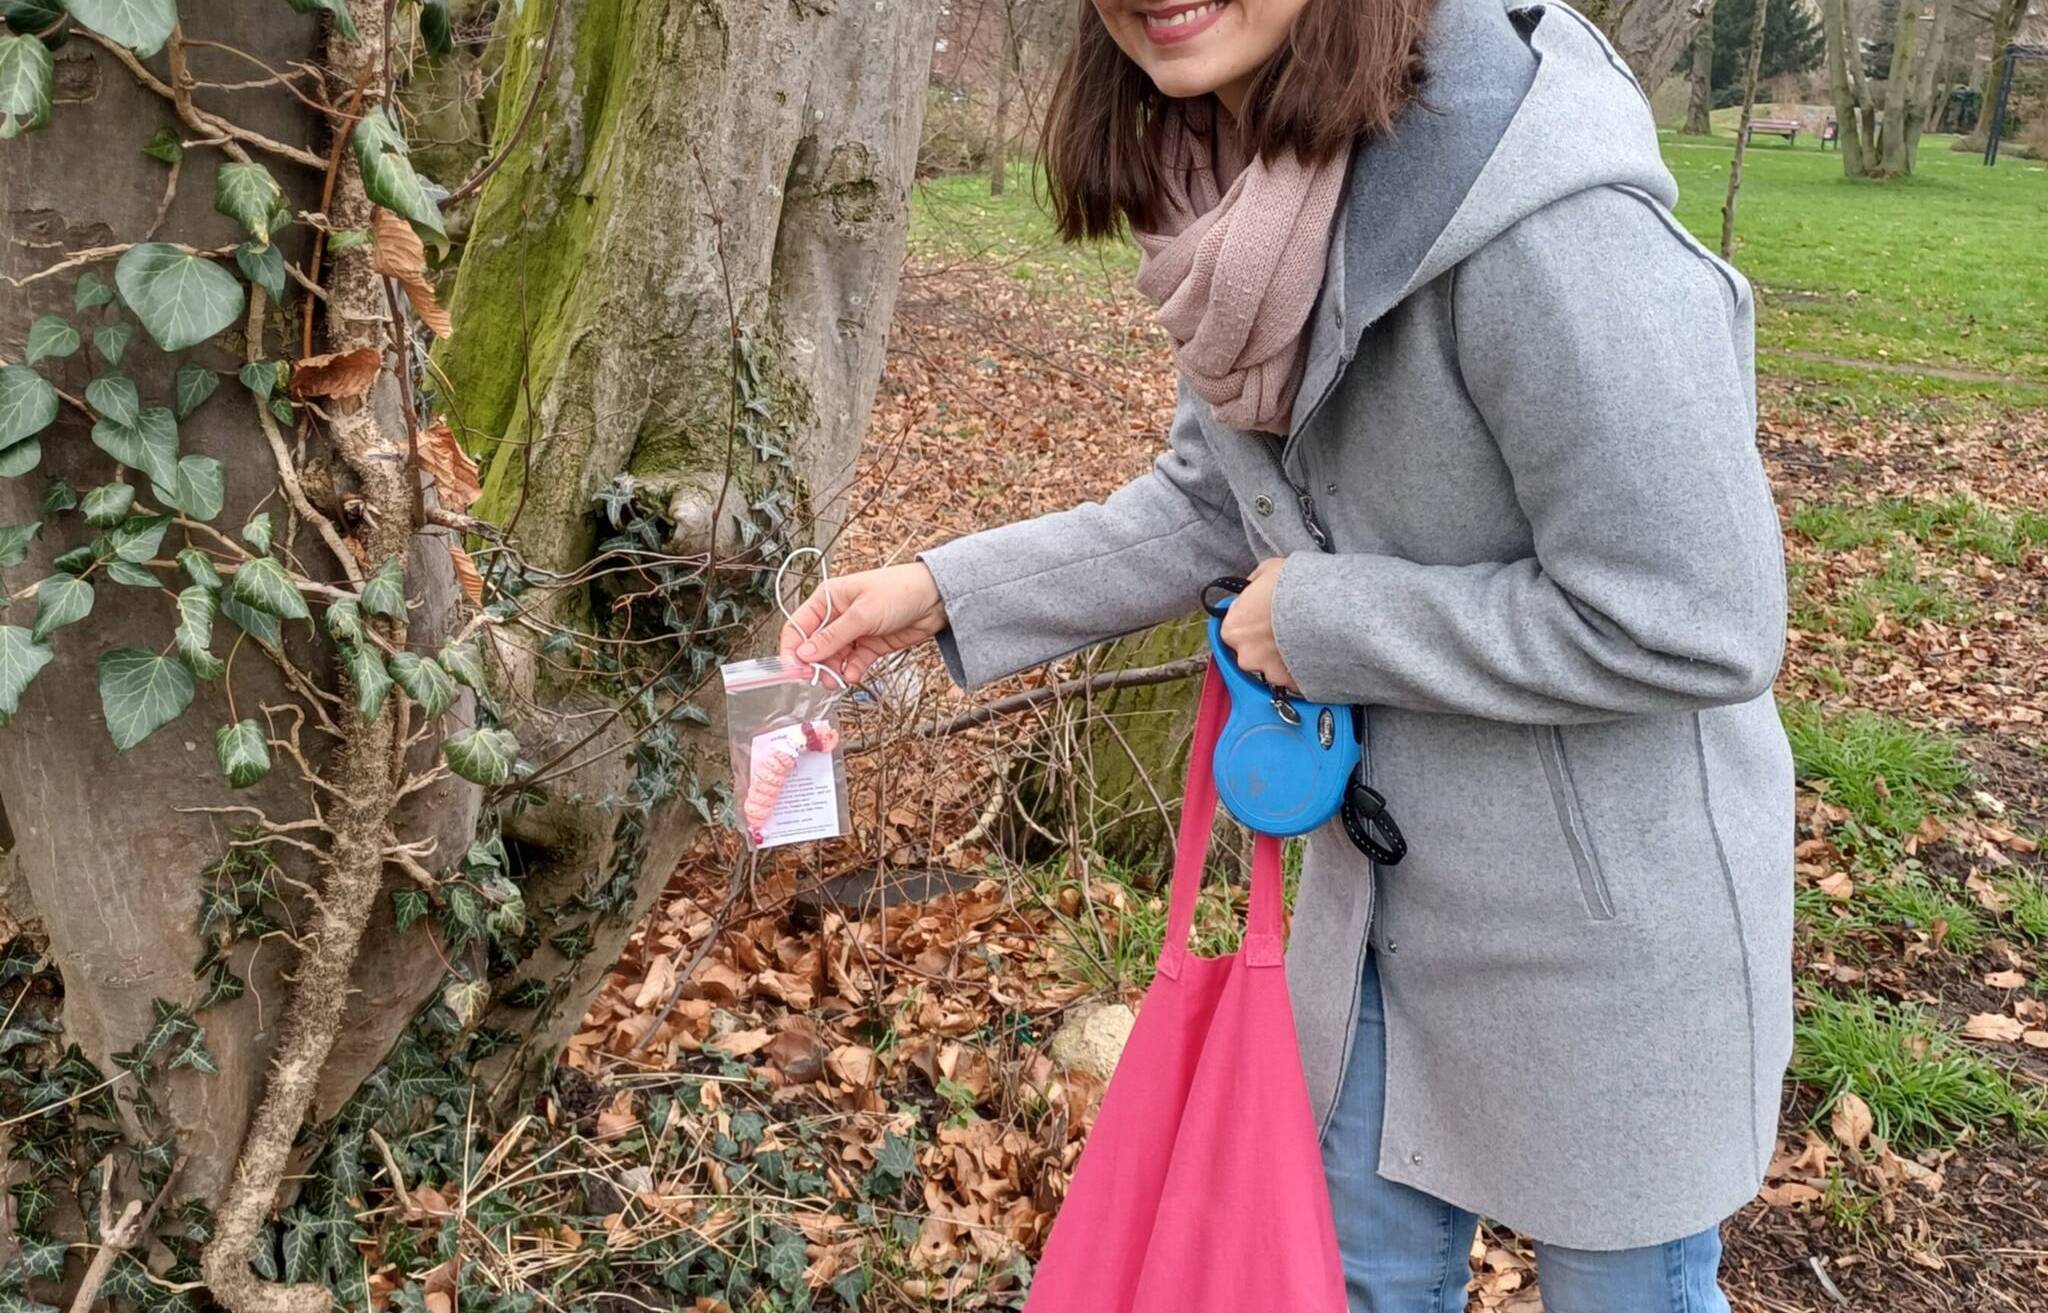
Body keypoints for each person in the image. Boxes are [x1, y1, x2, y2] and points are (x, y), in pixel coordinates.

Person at [781, 1, 1793, 1309]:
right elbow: (1216, 501)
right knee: (1347, 1285)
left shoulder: (1553, 223)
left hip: (1605, 929)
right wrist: (940, 591)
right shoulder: (1247, 208)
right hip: (1381, 904)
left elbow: (1695, 613)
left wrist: (1324, 623)